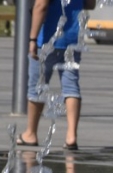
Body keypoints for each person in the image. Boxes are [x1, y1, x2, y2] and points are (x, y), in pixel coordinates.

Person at [18, 0, 96, 151]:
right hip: (73, 39)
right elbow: (90, 4)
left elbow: (41, 5)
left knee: (37, 86)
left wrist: (33, 38)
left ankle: (30, 133)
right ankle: (71, 136)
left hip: (47, 39)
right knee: (71, 86)